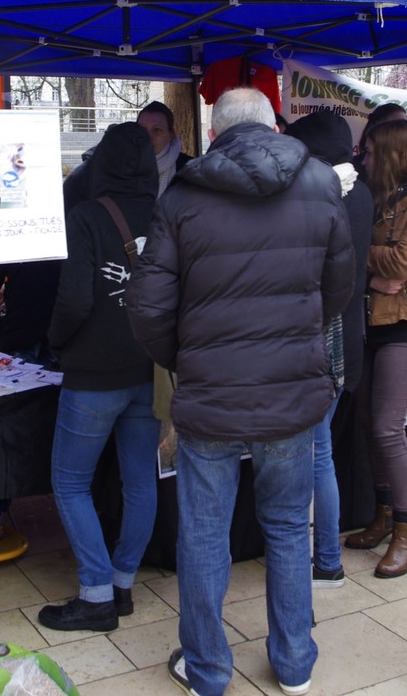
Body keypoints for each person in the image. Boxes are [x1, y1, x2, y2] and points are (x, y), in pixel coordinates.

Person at [126, 87, 353, 696]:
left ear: (216, 130)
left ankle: (207, 671)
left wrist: (186, 359)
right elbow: (339, 289)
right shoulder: (319, 184)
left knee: (204, 533)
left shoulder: (184, 193)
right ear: (272, 125)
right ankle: (294, 662)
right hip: (290, 392)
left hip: (212, 396)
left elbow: (146, 307)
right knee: (285, 526)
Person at [38, 122, 161, 632]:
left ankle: (95, 594)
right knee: (139, 480)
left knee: (69, 483)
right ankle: (123, 583)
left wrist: (57, 343)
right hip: (151, 366)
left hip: (93, 371)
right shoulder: (169, 213)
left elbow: (74, 300)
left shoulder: (86, 216)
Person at [343, 120, 407, 579]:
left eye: (367, 153)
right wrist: (370, 265)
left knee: (388, 427)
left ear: (387, 154)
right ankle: (384, 514)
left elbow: (403, 263)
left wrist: (358, 253)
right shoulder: (378, 195)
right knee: (368, 424)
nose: (361, 160)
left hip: (406, 323)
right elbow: (371, 258)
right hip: (370, 318)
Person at [286, 111, 371, 589]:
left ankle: (317, 559)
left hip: (322, 340)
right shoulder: (360, 192)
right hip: (345, 340)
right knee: (323, 454)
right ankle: (328, 559)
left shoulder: (325, 197)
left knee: (314, 454)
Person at [137, 100, 192, 195]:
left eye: (157, 129)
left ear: (171, 135)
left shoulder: (191, 172)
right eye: (142, 129)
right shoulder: (121, 168)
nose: (148, 136)